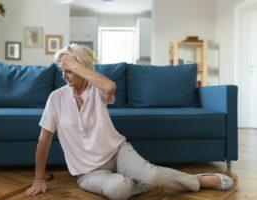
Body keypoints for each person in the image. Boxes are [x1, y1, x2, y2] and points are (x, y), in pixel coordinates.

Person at [25, 44, 234, 199]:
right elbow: (44, 140)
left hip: (117, 152)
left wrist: (77, 65)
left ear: (83, 68)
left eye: (69, 70)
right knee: (119, 190)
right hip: (87, 172)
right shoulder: (56, 98)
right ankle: (148, 179)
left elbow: (109, 87)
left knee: (151, 176)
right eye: (63, 69)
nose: (64, 75)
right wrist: (39, 178)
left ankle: (197, 180)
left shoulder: (97, 89)